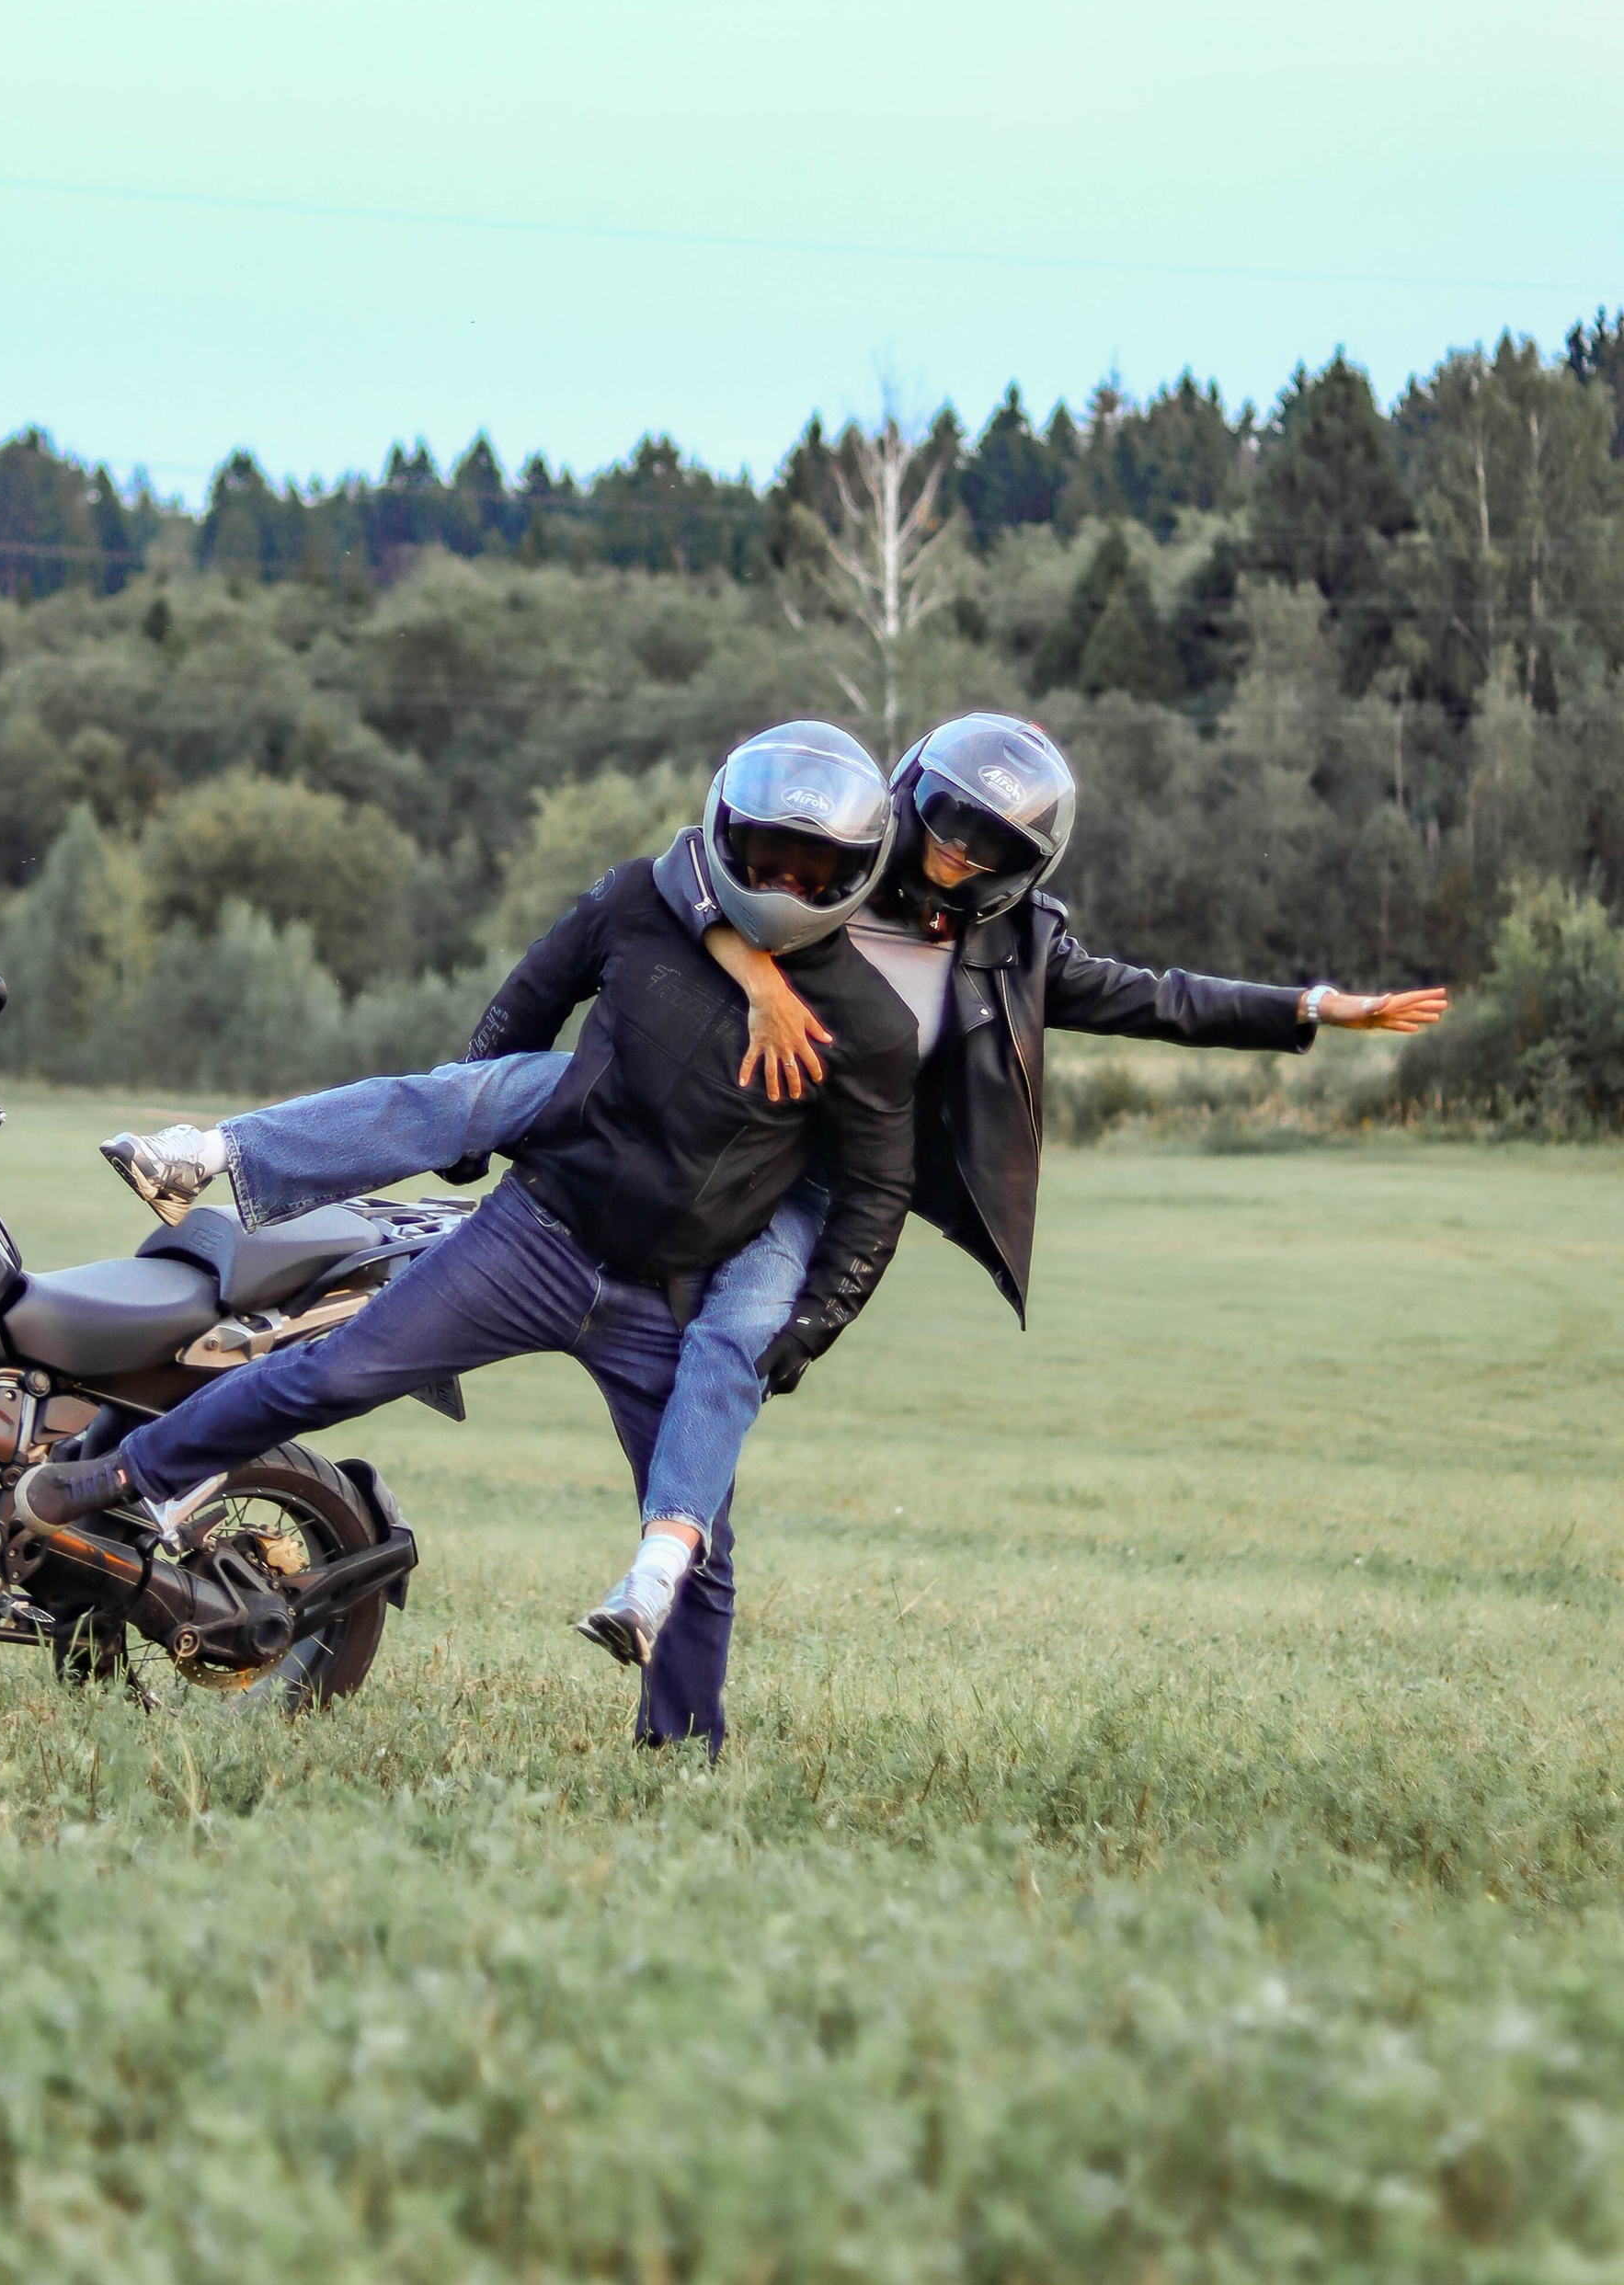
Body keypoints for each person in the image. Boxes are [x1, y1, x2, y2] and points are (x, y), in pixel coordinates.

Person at [87, 709, 1449, 1672]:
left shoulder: (1014, 946)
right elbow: (688, 872)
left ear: (1024, 867)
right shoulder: (827, 848)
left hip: (800, 1190)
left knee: (727, 1378)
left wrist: (1320, 1007)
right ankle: (206, 1203)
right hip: (633, 1144)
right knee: (465, 1116)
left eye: (990, 850)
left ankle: (671, 1665)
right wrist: (745, 968)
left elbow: (1159, 1000)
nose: (959, 860)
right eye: (951, 829)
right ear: (911, 801)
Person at [13, 722, 919, 1753]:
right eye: (762, 858)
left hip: (669, 1297)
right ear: (722, 833)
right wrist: (476, 1125)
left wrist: (816, 1322)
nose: (784, 885)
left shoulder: (874, 1029)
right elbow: (529, 999)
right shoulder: (640, 902)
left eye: (814, 872)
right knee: (324, 1375)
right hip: (533, 1236)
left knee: (694, 1531)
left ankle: (681, 1752)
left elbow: (877, 1189)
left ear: (856, 875)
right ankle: (123, 1478)